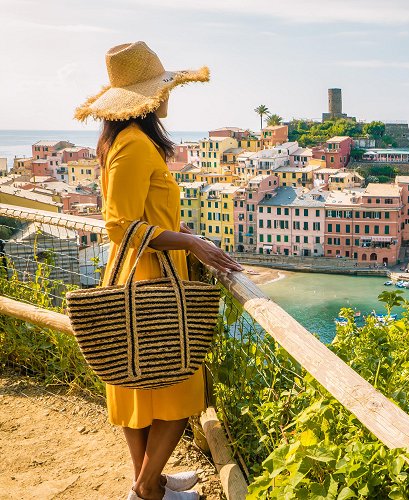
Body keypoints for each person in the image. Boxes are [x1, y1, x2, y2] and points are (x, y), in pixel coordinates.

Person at [75, 41, 242, 500]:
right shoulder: (133, 145)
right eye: (162, 87)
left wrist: (180, 229)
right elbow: (118, 224)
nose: (168, 94)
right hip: (149, 273)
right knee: (177, 384)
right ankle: (147, 487)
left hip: (146, 266)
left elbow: (146, 213)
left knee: (139, 383)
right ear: (145, 99)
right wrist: (190, 241)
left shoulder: (127, 140)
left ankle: (151, 485)